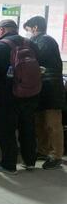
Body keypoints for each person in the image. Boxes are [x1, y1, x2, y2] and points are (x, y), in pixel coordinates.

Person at [0, 19, 40, 175]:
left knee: (6, 131)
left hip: (6, 97)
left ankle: (8, 164)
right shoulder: (31, 44)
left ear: (2, 30)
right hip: (30, 94)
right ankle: (30, 161)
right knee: (28, 128)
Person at [24, 16, 65, 170]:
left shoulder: (45, 41)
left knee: (52, 124)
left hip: (52, 89)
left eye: (28, 30)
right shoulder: (40, 40)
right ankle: (43, 150)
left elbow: (36, 59)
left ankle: (56, 155)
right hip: (42, 88)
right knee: (40, 122)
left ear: (35, 27)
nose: (28, 33)